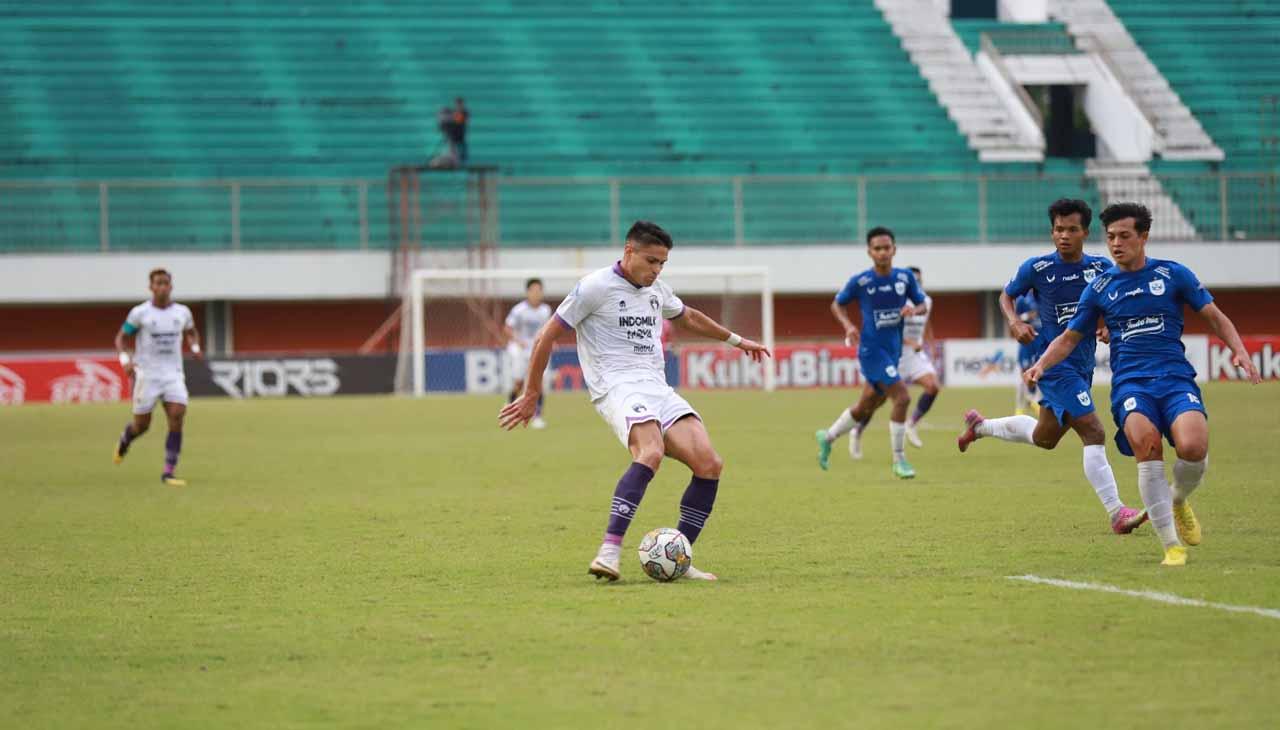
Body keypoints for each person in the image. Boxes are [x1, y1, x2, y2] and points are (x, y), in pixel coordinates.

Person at [498, 221, 770, 582]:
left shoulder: (657, 289)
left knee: (709, 463)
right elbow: (546, 337)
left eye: (662, 264)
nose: (656, 270)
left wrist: (737, 340)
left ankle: (678, 557)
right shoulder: (595, 287)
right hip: (616, 386)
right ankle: (609, 551)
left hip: (657, 387)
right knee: (651, 452)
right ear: (629, 252)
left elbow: (688, 316)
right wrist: (531, 393)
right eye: (651, 261)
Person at [1026, 202, 1260, 565]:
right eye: (1110, 237)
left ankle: (1178, 499)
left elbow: (1215, 316)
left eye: (1124, 236)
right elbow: (1070, 338)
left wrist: (1240, 352)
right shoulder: (1100, 286)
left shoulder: (1173, 274)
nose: (1116, 243)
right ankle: (1171, 546)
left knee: (1194, 447)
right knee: (1147, 448)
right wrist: (1041, 364)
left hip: (1175, 378)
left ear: (1143, 237)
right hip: (1131, 385)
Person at [958, 199, 1146, 534]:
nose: (1064, 236)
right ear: (1052, 231)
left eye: (1072, 229)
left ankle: (980, 427)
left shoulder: (1100, 269)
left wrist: (1104, 325)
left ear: (1085, 232)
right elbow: (1006, 296)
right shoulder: (1038, 267)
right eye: (1059, 229)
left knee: (1045, 437)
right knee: (1094, 431)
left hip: (1083, 363)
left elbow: (1107, 304)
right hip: (1054, 365)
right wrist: (1014, 322)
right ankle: (1117, 512)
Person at [814, 226, 927, 478]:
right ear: (869, 252)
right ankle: (900, 460)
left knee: (867, 406)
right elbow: (837, 304)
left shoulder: (905, 278)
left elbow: (921, 304)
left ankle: (828, 437)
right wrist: (848, 325)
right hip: (871, 350)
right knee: (903, 398)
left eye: (887, 248)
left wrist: (914, 310)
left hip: (893, 350)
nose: (882, 253)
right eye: (877, 249)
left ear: (894, 250)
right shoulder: (862, 281)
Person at [112, 268, 202, 486]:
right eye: (158, 283)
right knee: (142, 425)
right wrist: (125, 360)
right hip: (147, 375)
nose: (162, 287)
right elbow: (122, 338)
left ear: (171, 286)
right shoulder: (140, 313)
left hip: (173, 374)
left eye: (165, 283)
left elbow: (191, 331)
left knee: (177, 414)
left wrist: (195, 346)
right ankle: (126, 439)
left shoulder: (182, 312)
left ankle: (168, 471)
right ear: (151, 287)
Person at [847, 266, 941, 458]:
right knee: (874, 402)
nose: (916, 282)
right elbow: (886, 330)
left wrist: (931, 344)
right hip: (893, 354)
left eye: (918, 279)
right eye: (913, 279)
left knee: (933, 386)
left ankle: (911, 423)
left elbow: (926, 323)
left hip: (914, 356)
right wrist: (910, 342)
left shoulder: (926, 301)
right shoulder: (894, 300)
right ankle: (857, 431)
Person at [504, 278, 552, 429]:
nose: (537, 293)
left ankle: (537, 416)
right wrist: (518, 341)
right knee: (519, 383)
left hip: (538, 349)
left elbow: (549, 329)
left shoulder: (545, 310)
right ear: (528, 292)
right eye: (534, 290)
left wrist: (550, 341)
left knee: (539, 384)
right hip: (521, 350)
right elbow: (507, 328)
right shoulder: (519, 310)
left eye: (539, 290)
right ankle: (510, 405)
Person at [1014, 291, 1043, 417]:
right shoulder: (1022, 299)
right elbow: (1015, 319)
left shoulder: (1046, 294)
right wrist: (1027, 316)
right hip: (1027, 340)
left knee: (1040, 372)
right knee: (1024, 372)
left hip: (1041, 340)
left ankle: (1036, 401)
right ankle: (1020, 407)